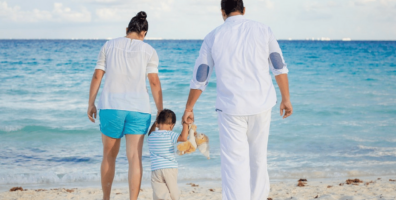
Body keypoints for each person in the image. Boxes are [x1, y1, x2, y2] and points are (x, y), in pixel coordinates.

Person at [181, 0, 293, 199]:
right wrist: (286, 98)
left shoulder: (213, 36)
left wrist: (189, 107)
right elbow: (278, 65)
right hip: (261, 105)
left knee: (234, 163)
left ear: (222, 12)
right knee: (258, 158)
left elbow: (201, 76)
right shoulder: (263, 30)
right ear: (244, 10)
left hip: (230, 109)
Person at [87, 11, 163, 200]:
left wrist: (91, 103)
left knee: (109, 156)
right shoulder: (149, 51)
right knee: (135, 158)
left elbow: (98, 75)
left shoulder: (109, 45)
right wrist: (160, 110)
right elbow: (154, 82)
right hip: (139, 109)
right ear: (143, 33)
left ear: (127, 29)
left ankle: (106, 198)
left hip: (111, 106)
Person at [147, 109, 189, 200]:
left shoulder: (151, 136)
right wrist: (185, 124)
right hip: (170, 168)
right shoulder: (170, 134)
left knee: (159, 195)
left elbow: (150, 132)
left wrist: (155, 123)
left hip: (156, 169)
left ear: (157, 122)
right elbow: (184, 138)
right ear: (172, 125)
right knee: (173, 192)